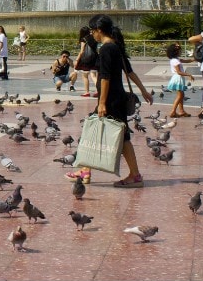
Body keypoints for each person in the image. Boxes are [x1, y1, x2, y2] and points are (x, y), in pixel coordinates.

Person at [66, 14, 153, 188]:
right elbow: (129, 72)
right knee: (123, 136)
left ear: (98, 30)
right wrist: (143, 91)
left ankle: (88, 171)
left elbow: (104, 78)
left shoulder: (106, 49)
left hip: (111, 99)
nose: (92, 35)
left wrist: (102, 103)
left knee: (92, 129)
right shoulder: (116, 46)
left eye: (92, 31)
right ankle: (90, 170)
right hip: (117, 97)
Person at [166, 43, 194, 118]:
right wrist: (189, 75)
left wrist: (195, 59)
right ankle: (173, 111)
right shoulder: (176, 61)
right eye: (179, 51)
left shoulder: (175, 59)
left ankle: (181, 111)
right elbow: (179, 72)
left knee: (181, 95)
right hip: (178, 78)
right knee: (180, 96)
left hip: (178, 78)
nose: (180, 52)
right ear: (176, 52)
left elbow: (186, 61)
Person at [75, 26, 99, 97]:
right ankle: (98, 90)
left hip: (86, 59)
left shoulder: (84, 39)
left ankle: (87, 92)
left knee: (85, 76)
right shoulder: (94, 38)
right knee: (93, 75)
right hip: (94, 58)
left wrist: (77, 59)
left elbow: (82, 51)